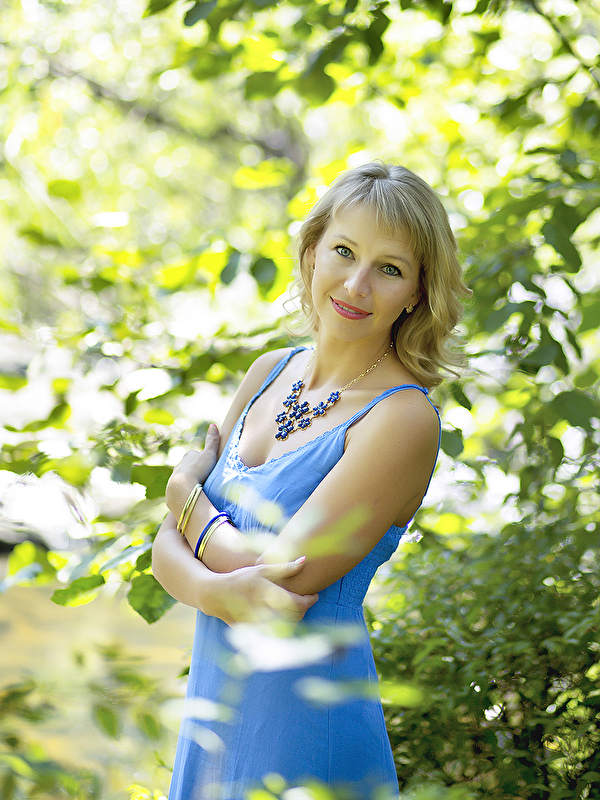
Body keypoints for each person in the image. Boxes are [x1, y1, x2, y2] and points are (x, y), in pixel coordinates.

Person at [152, 161, 469, 800]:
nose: (356, 284)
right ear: (312, 252)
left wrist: (184, 495)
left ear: (417, 291)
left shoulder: (403, 418)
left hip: (306, 725)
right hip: (216, 715)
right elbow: (163, 551)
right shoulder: (268, 371)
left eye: (389, 268)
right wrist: (213, 591)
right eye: (344, 252)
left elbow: (283, 576)